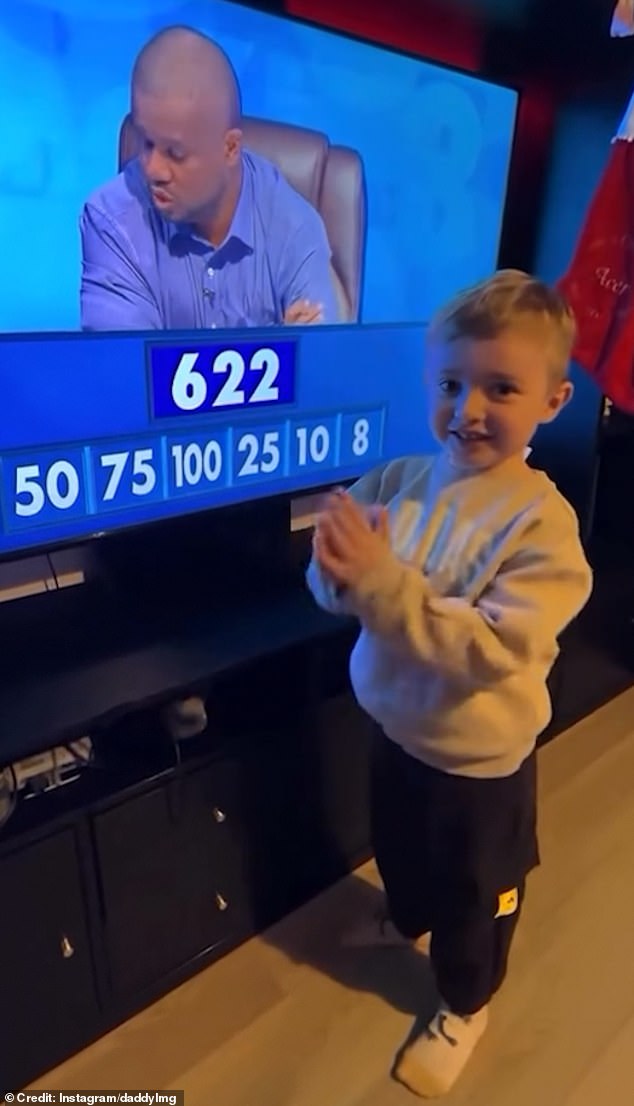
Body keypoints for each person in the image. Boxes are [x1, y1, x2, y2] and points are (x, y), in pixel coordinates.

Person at [306, 270, 593, 1097]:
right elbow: (338, 586)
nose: (468, 409)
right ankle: (405, 916)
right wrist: (338, 571)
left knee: (478, 894)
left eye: (500, 388)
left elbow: (491, 650)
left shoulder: (544, 528)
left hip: (481, 765)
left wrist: (383, 583)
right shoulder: (399, 481)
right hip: (397, 729)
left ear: (553, 398)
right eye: (451, 384)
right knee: (398, 847)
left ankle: (467, 1003)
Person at [79, 25, 338, 330]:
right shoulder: (112, 222)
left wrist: (302, 349)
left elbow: (318, 364)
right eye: (146, 142)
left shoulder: (294, 226)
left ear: (229, 148)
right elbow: (127, 370)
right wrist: (275, 346)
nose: (153, 171)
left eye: (175, 153)